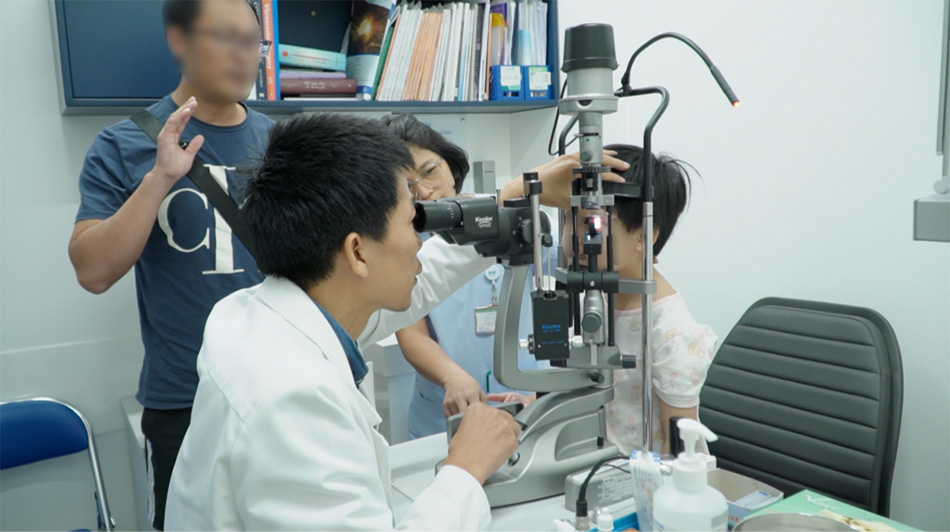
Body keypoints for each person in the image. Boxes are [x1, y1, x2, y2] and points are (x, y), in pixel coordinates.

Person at [163, 113, 594, 530]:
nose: (418, 242)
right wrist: (466, 468)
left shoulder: (263, 312)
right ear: (357, 252)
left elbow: (423, 281)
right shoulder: (293, 400)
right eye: (412, 221)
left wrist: (512, 194)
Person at [67, 1, 271, 527]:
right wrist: (160, 178)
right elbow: (92, 271)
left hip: (279, 385)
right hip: (186, 398)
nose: (243, 53)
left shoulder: (283, 142)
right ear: (180, 41)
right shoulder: (122, 143)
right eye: (226, 36)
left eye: (252, 40)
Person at [494, 144, 719, 456]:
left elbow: (681, 449)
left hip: (642, 484)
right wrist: (540, 404)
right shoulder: (596, 298)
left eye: (591, 224)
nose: (573, 237)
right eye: (569, 219)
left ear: (644, 235)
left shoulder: (672, 334)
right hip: (595, 464)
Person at [382, 114, 556, 438]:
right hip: (446, 414)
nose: (425, 192)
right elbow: (411, 332)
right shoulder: (401, 244)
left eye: (430, 172)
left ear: (449, 163)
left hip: (528, 398)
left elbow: (569, 269)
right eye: (406, 185)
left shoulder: (510, 218)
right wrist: (452, 377)